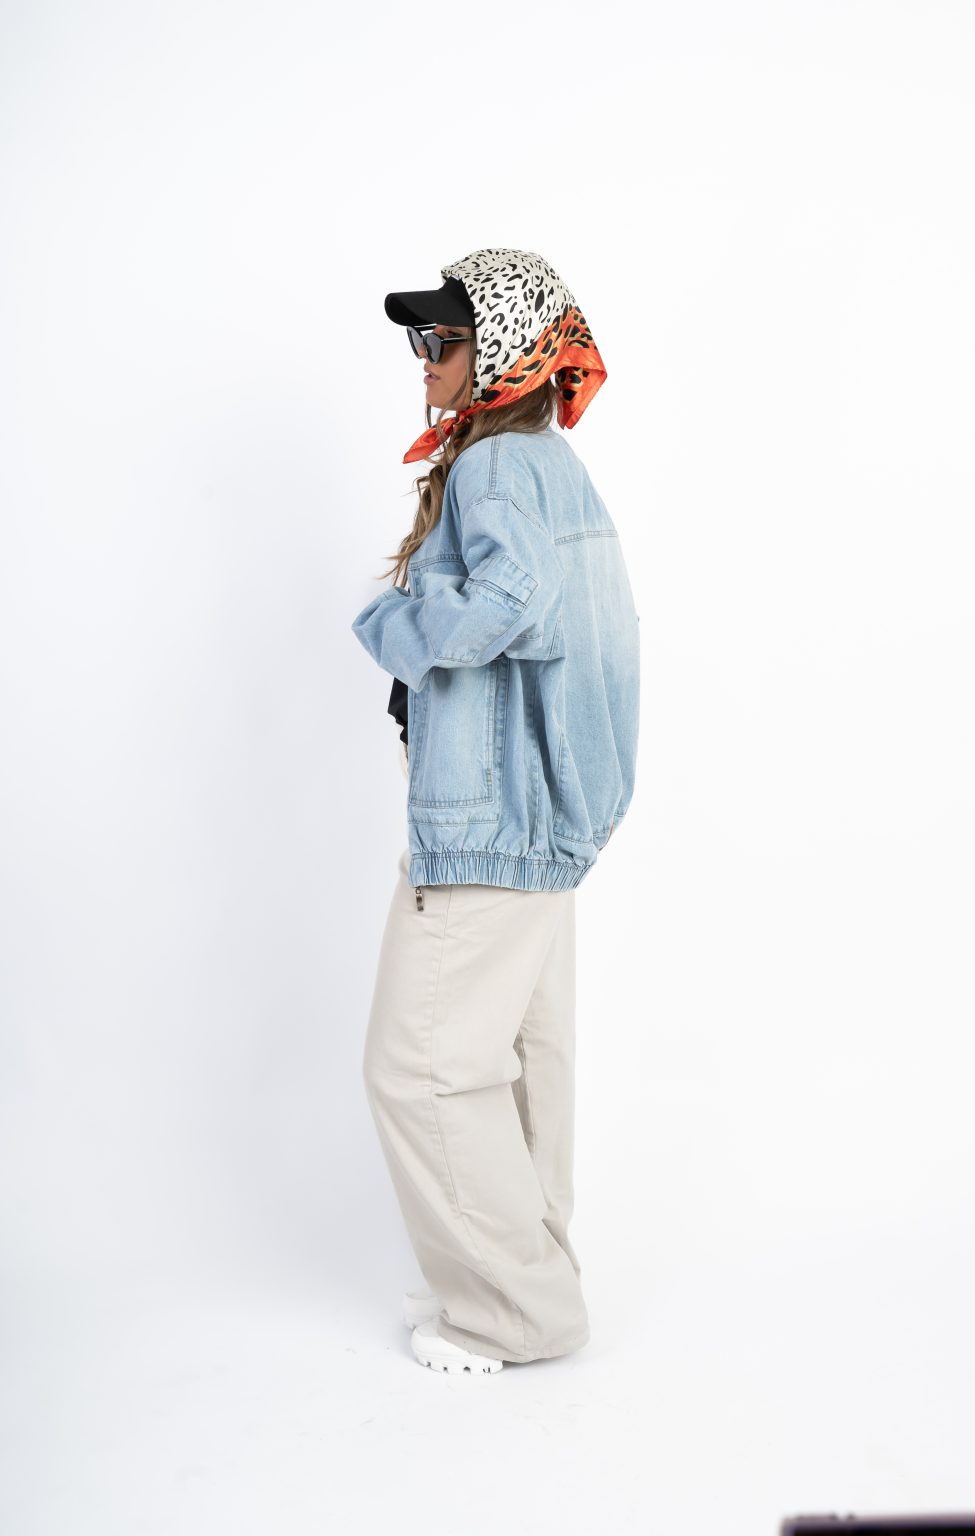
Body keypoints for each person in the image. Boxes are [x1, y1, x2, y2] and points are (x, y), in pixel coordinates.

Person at [351, 248, 640, 1374]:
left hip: (489, 818)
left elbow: (508, 600)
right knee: (522, 1057)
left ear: (506, 352)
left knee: (418, 1066)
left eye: (444, 340)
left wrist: (394, 623)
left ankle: (511, 1312)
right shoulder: (548, 463)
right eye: (418, 340)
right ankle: (527, 1276)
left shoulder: (495, 466)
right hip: (543, 811)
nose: (423, 360)